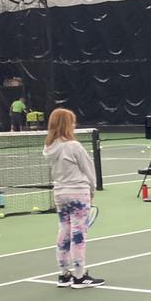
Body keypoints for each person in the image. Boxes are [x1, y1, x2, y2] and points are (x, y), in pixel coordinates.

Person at [42, 108, 104, 288]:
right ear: (66, 125)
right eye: (72, 122)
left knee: (64, 232)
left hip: (60, 194)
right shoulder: (73, 146)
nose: (75, 125)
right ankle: (79, 276)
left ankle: (63, 274)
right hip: (78, 193)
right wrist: (92, 189)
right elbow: (89, 169)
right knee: (78, 234)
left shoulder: (48, 147)